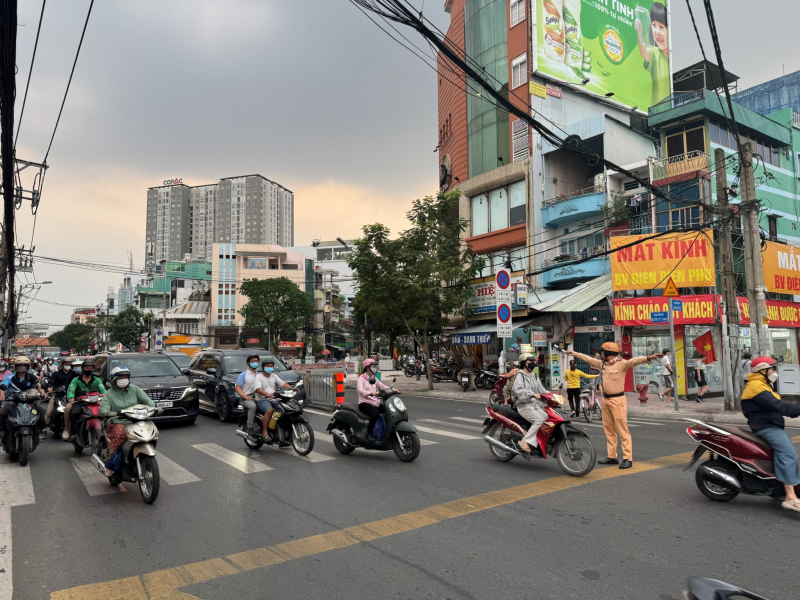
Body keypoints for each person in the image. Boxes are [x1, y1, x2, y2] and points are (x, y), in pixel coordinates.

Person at [568, 342, 661, 469]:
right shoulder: (602, 364)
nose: (600, 354)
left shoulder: (622, 364)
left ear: (608, 353)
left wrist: (648, 358)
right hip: (606, 400)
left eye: (602, 352)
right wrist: (573, 353)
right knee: (609, 429)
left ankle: (628, 458)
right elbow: (588, 359)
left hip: (618, 400)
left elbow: (635, 361)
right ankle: (612, 457)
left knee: (623, 430)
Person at [741, 357, 800, 512]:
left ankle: (778, 490)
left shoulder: (762, 385)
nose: (774, 372)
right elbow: (779, 406)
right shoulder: (756, 387)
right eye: (771, 369)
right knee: (788, 454)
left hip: (770, 425)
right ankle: (790, 497)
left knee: (778, 455)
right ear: (762, 371)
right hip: (767, 427)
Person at [99, 366, 156, 474]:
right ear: (114, 379)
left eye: (126, 377)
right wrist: (111, 413)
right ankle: (110, 464)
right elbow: (103, 410)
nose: (123, 379)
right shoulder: (109, 394)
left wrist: (155, 408)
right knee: (121, 435)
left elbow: (148, 402)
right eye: (120, 377)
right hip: (118, 422)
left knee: (151, 431)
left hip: (136, 421)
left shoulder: (134, 389)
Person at [0, 356, 46, 447]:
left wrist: (42, 392)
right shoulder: (10, 377)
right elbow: (3, 387)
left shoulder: (32, 377)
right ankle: (2, 431)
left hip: (30, 403)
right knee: (2, 412)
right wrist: (2, 395)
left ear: (28, 367)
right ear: (15, 366)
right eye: (19, 365)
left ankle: (41, 430)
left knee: (41, 410)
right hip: (13, 403)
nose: (22, 367)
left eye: (24, 365)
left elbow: (38, 386)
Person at [512, 353, 548, 455]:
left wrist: (552, 396)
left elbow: (542, 390)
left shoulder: (534, 375)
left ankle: (537, 443)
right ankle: (524, 441)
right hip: (523, 405)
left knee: (547, 421)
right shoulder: (520, 375)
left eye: (533, 362)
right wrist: (532, 394)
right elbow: (519, 391)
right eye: (530, 362)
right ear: (523, 363)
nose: (532, 364)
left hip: (535, 405)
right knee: (540, 420)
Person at [635, 1, 670, 108]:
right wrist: (639, 34)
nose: (657, 32)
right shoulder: (655, 53)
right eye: (654, 25)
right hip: (657, 113)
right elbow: (644, 53)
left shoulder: (674, 60)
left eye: (661, 27)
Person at [65, 357, 106, 443]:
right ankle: (72, 432)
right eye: (87, 368)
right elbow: (71, 390)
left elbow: (103, 391)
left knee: (105, 413)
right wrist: (71, 398)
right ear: (83, 368)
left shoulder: (97, 380)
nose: (89, 369)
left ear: (93, 369)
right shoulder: (76, 380)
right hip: (80, 403)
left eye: (91, 368)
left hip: (95, 403)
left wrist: (105, 397)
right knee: (74, 412)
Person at [254, 358, 291, 442]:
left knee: (284, 411)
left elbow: (283, 383)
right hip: (262, 400)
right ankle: (265, 432)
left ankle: (280, 433)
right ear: (263, 367)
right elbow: (258, 389)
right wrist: (267, 394)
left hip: (274, 399)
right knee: (269, 410)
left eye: (271, 366)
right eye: (267, 366)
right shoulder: (259, 377)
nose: (269, 367)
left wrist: (292, 388)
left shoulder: (274, 376)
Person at [357, 358, 394, 441]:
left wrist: (393, 389)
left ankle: (386, 430)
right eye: (373, 366)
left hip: (374, 402)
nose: (375, 368)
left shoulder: (373, 377)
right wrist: (369, 393)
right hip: (364, 402)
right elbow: (360, 389)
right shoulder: (361, 378)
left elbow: (382, 386)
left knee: (387, 409)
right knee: (375, 413)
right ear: (367, 368)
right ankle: (369, 433)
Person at [45, 357, 77, 433]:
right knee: (49, 412)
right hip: (57, 395)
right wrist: (49, 387)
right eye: (66, 364)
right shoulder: (56, 374)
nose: (68, 365)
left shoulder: (74, 374)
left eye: (69, 364)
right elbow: (50, 382)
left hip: (71, 396)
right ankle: (43, 430)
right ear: (62, 364)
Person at [235, 353, 262, 436]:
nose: (255, 362)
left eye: (256, 361)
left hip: (258, 397)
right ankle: (250, 428)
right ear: (248, 363)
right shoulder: (243, 375)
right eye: (253, 361)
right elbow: (238, 388)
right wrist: (246, 397)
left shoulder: (259, 375)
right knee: (253, 406)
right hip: (246, 398)